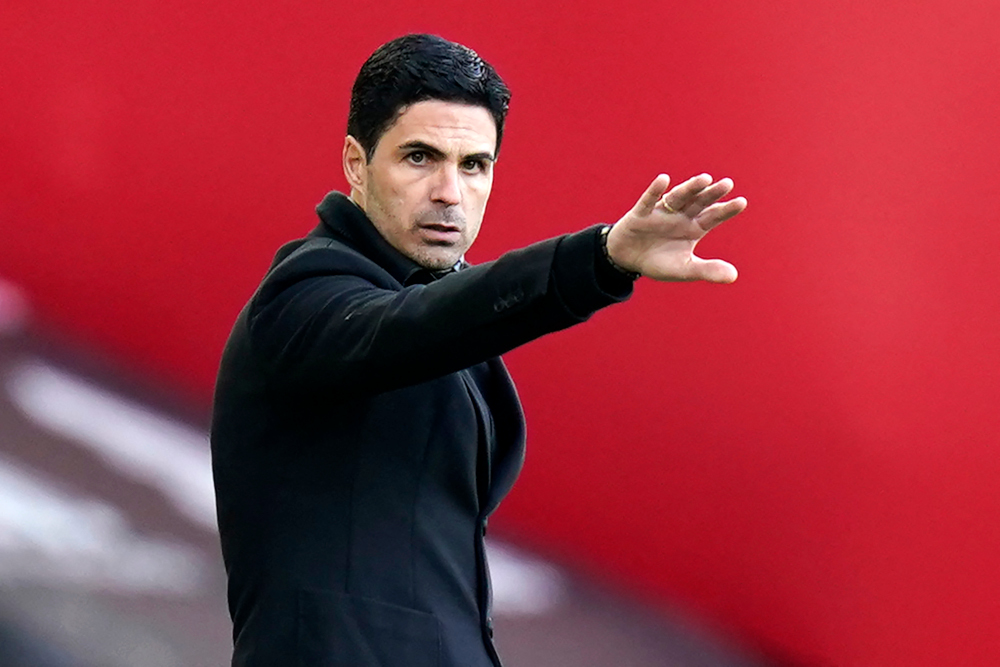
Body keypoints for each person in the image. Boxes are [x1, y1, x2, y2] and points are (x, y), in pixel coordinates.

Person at [211, 33, 746, 667]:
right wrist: (601, 259)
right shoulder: (304, 294)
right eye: (419, 157)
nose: (449, 192)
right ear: (356, 163)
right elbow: (412, 328)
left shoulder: (442, 305)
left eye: (474, 165)